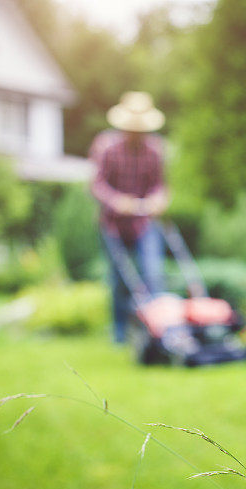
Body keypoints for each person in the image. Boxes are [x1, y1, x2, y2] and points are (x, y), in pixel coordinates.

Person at [90, 91, 169, 343]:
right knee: (120, 279)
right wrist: (117, 201)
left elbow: (160, 185)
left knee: (152, 272)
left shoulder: (155, 149)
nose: (136, 133)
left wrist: (159, 200)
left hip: (144, 222)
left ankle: (157, 331)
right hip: (113, 225)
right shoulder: (106, 147)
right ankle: (120, 332)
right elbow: (96, 184)